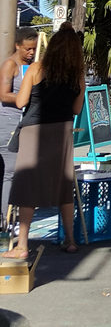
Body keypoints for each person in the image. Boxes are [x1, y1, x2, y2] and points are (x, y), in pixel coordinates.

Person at [5, 23, 85, 258]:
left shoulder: (36, 68)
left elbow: (21, 103)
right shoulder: (77, 75)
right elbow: (77, 108)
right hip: (63, 130)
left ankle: (21, 246)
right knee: (63, 185)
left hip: (34, 130)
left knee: (27, 185)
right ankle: (70, 240)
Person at [0, 28, 38, 227]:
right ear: (17, 46)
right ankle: (5, 221)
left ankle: (12, 215)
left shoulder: (32, 66)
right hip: (8, 123)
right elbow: (4, 95)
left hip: (26, 124)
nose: (31, 53)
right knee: (10, 171)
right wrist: (27, 98)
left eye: (33, 49)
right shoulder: (10, 65)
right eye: (27, 49)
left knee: (23, 172)